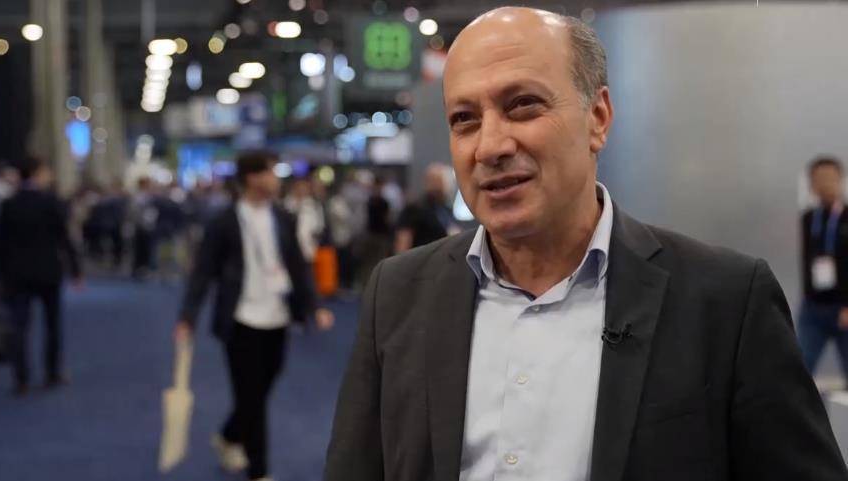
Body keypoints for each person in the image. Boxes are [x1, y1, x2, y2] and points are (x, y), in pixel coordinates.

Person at [325, 7, 848, 481]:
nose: (490, 146)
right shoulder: (398, 293)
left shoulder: (725, 301)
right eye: (465, 119)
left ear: (597, 118)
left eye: (523, 105)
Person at [174, 150, 334, 481]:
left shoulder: (283, 217)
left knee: (261, 388)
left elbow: (297, 267)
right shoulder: (223, 221)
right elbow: (203, 271)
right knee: (252, 398)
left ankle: (229, 435)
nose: (276, 179)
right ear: (252, 178)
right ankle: (258, 471)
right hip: (240, 319)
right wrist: (188, 316)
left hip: (278, 316)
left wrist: (314, 306)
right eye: (271, 172)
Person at [0, 156, 82, 396]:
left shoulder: (9, 204)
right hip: (48, 272)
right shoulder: (50, 202)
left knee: (19, 326)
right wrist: (76, 269)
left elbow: (1, 245)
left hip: (17, 273)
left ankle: (21, 378)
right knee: (52, 325)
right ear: (37, 173)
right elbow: (65, 238)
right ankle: (52, 373)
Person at [798, 156, 848, 381]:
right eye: (819, 179)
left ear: (841, 180)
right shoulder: (808, 219)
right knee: (800, 369)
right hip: (813, 307)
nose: (825, 184)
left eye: (830, 178)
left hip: (843, 308)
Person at [394, 163, 459, 253]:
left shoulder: (445, 209)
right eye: (443, 180)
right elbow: (403, 243)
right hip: (422, 258)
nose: (448, 185)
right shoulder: (415, 209)